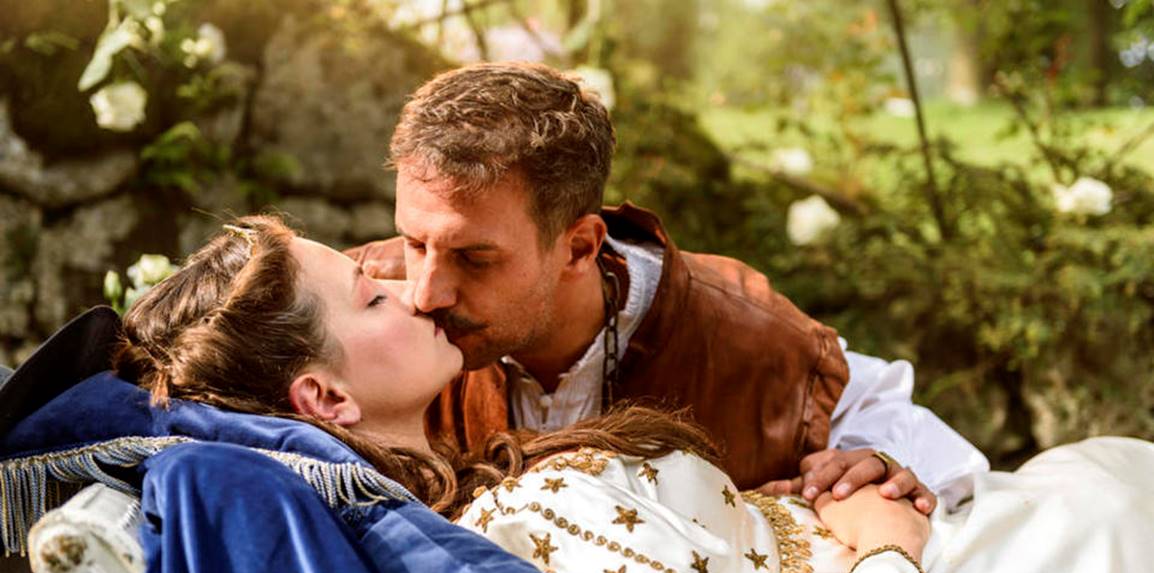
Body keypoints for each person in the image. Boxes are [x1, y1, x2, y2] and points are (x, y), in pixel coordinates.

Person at [116, 216, 1154, 573]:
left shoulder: (492, 484)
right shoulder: (521, 536)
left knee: (1105, 478)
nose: (414, 287)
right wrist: (890, 552)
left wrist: (796, 505)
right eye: (371, 296)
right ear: (326, 400)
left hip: (1022, 530)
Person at [345, 62, 988, 515]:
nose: (425, 292)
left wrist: (878, 463)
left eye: (475, 258)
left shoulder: (747, 334)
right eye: (416, 242)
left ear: (580, 247)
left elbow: (939, 458)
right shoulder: (349, 303)